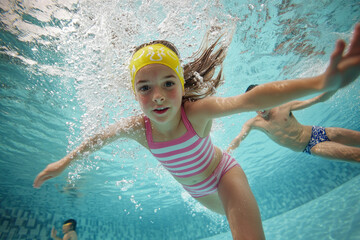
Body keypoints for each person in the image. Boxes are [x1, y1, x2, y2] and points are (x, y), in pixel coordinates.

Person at [34, 24, 360, 239]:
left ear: (180, 83)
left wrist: (322, 82)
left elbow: (250, 100)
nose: (158, 95)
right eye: (145, 87)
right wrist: (63, 163)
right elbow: (96, 140)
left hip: (223, 175)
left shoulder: (195, 112)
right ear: (135, 93)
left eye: (168, 84)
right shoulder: (137, 128)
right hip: (200, 193)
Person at [226, 85, 360, 162]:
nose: (260, 107)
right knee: (356, 155)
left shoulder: (283, 107)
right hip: (312, 146)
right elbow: (240, 137)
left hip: (319, 131)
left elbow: (317, 100)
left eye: (261, 101)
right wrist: (231, 148)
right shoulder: (254, 123)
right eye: (255, 103)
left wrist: (337, 83)